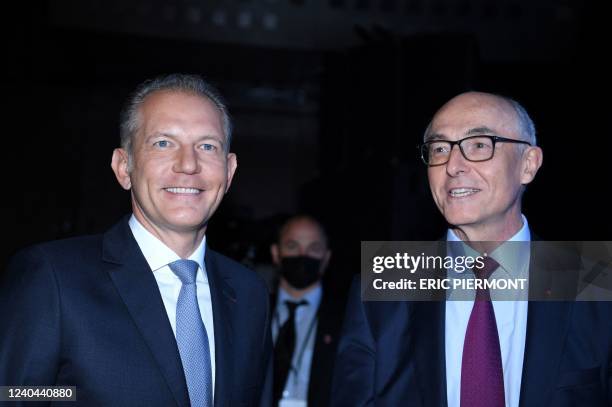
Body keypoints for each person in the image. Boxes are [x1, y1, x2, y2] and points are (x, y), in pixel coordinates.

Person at [0, 74, 272, 406]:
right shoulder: (54, 278)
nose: (188, 164)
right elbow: (15, 394)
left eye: (207, 146)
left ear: (229, 172)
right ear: (123, 166)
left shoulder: (248, 294)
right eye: (163, 143)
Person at [331, 91, 612, 406]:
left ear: (528, 165)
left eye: (479, 145)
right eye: (439, 149)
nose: (453, 165)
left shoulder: (595, 282)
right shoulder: (383, 284)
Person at [270, 215, 345, 407]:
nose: (303, 255)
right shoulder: (251, 312)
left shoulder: (346, 318)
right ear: (276, 253)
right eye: (293, 246)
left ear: (326, 258)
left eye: (314, 248)